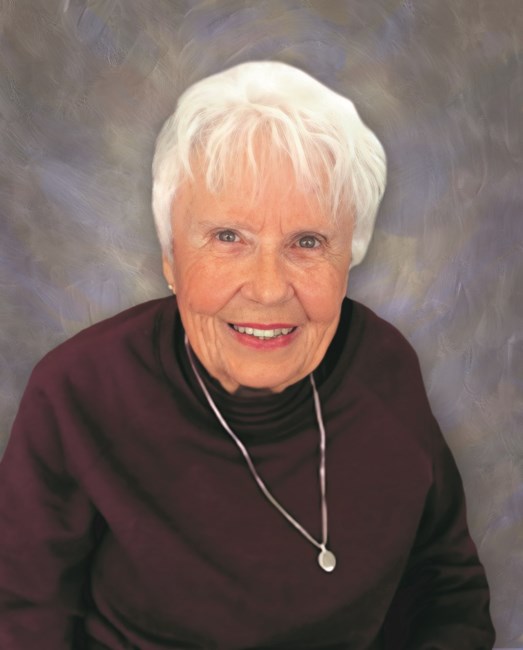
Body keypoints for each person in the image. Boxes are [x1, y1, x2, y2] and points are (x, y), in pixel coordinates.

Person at [0, 61, 495, 649]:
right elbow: (20, 620)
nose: (267, 288)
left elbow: (445, 590)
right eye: (228, 237)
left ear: (349, 257)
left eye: (307, 242)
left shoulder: (384, 368)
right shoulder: (79, 391)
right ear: (171, 258)